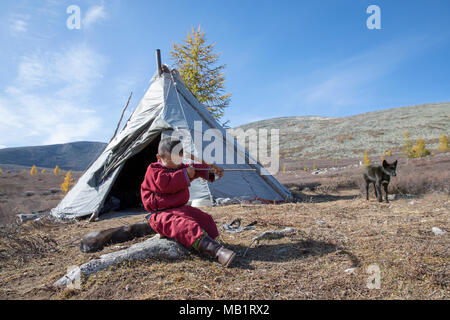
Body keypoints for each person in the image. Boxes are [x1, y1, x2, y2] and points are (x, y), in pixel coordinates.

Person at [140, 137, 236, 267]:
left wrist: (211, 170)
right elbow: (165, 183)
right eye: (171, 160)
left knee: (205, 219)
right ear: (159, 157)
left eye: (178, 160)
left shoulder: (180, 167)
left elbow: (196, 168)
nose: (176, 164)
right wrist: (185, 173)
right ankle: (216, 251)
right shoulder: (154, 171)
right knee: (185, 226)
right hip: (160, 214)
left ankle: (202, 243)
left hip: (180, 208)